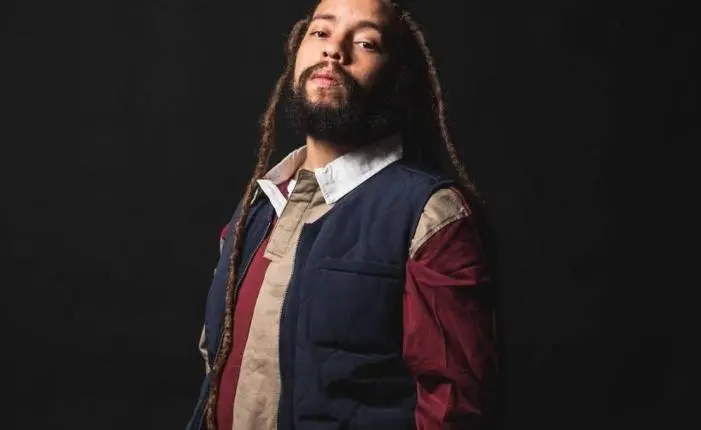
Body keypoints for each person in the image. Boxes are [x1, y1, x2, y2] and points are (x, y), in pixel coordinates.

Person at [187, 0, 497, 429]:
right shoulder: (256, 208)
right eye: (320, 32)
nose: (334, 50)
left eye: (366, 42)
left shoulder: (430, 215)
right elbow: (215, 365)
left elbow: (455, 408)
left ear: (396, 76)